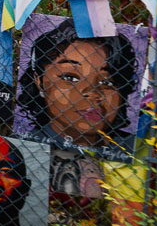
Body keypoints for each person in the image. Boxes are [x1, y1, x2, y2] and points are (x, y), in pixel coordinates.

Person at [17, 20, 137, 155]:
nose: (91, 92)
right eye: (70, 78)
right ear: (40, 82)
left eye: (107, 82)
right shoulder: (25, 147)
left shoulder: (135, 150)